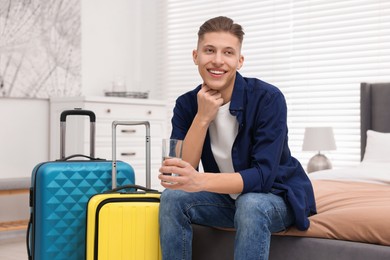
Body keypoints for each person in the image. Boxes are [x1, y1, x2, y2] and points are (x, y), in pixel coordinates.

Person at [158, 16, 316, 260]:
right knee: (172, 198)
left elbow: (263, 177)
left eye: (228, 52)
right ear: (195, 56)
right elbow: (182, 175)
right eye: (209, 50)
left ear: (239, 61)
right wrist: (202, 118)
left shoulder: (268, 98)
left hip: (276, 196)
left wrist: (199, 181)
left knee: (251, 204)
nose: (218, 60)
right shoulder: (186, 104)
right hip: (226, 199)